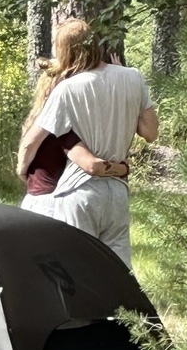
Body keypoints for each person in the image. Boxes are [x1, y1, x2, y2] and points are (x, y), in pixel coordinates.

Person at [16, 19, 158, 269]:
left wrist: (21, 168)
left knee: (78, 271)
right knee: (117, 272)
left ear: (64, 51)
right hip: (116, 191)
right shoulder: (133, 77)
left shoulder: (67, 89)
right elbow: (150, 132)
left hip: (78, 191)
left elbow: (32, 141)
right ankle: (122, 309)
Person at [19, 56, 129, 220]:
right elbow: (91, 165)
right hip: (52, 205)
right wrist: (123, 169)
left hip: (34, 200)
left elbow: (26, 157)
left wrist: (22, 169)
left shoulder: (40, 118)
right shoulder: (62, 125)